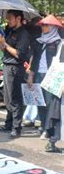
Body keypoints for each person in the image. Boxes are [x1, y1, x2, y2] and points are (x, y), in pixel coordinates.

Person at [27, 14, 63, 152]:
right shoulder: (39, 42)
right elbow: (34, 59)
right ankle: (43, 126)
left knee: (50, 104)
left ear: (53, 27)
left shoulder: (59, 43)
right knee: (39, 102)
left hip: (51, 78)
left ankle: (50, 130)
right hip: (38, 75)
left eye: (46, 25)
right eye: (42, 25)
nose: (43, 27)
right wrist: (30, 74)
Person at [0, 10, 31, 138]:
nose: (8, 21)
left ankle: (16, 127)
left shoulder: (23, 34)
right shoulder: (10, 31)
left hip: (16, 68)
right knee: (7, 97)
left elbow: (19, 54)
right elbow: (6, 50)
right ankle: (8, 124)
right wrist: (1, 44)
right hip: (7, 66)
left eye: (10, 18)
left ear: (18, 18)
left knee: (15, 98)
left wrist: (5, 44)